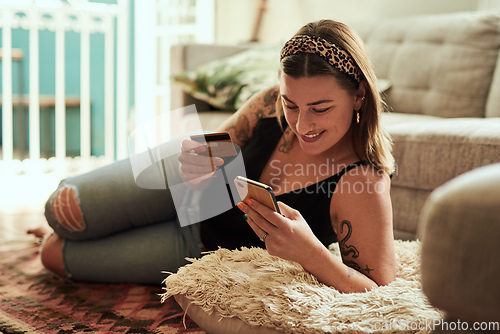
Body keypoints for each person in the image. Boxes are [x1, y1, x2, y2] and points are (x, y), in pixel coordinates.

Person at [32, 19, 397, 293]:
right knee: (62, 209)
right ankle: (92, 224)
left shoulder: (363, 181)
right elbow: (220, 142)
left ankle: (89, 231)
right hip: (184, 182)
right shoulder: (270, 102)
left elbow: (380, 291)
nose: (302, 124)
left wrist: (311, 254)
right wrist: (199, 154)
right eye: (292, 105)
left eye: (320, 108)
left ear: (359, 95)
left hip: (202, 244)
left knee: (53, 253)